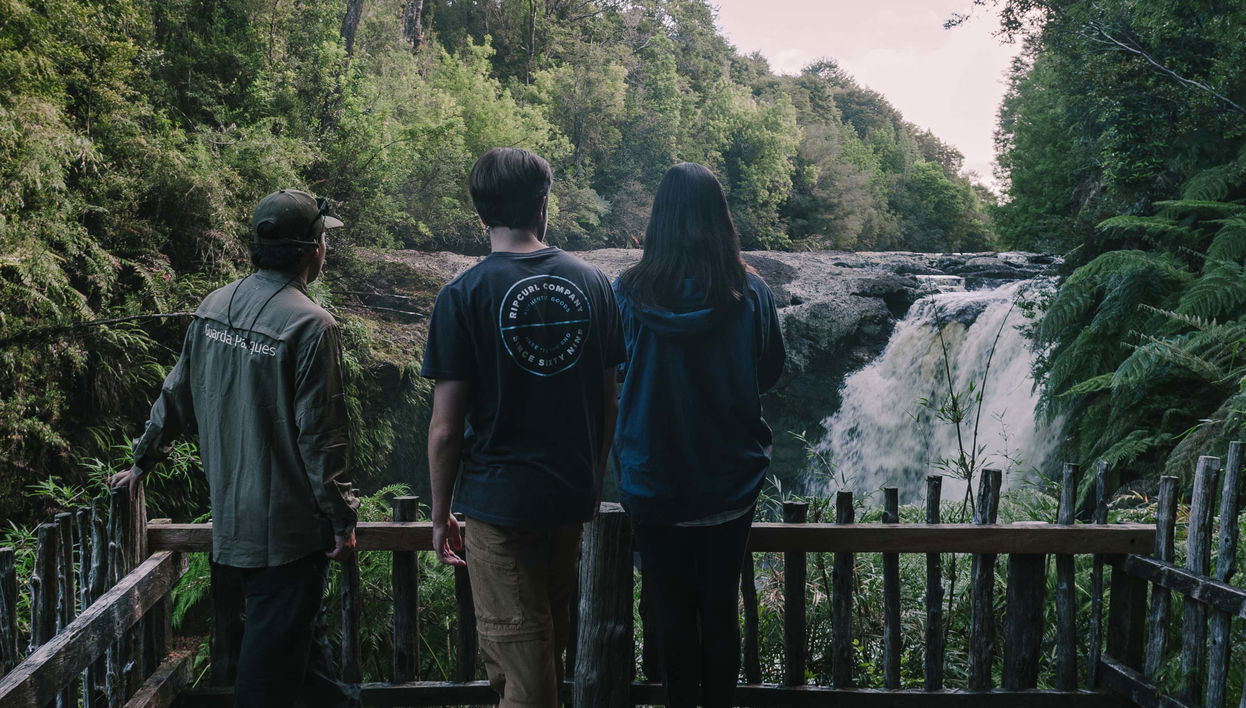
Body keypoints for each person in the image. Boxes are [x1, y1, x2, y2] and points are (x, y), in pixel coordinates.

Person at [113, 189, 361, 708]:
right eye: (324, 240)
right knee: (268, 674)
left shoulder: (213, 307)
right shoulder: (311, 325)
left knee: (303, 648)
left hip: (233, 519)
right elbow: (321, 437)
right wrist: (342, 518)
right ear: (313, 249)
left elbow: (176, 393)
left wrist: (142, 460)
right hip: (289, 533)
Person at [422, 147, 624, 708]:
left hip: (499, 507)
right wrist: (590, 480)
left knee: (528, 675)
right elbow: (607, 401)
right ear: (543, 204)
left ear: (480, 212)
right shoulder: (594, 284)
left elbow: (446, 427)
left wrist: (440, 515)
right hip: (566, 501)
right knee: (539, 658)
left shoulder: (462, 296)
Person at [613, 162, 786, 708]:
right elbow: (770, 370)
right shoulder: (750, 291)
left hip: (653, 478)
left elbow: (614, 370)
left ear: (659, 219)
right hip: (728, 480)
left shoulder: (628, 292)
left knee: (669, 611)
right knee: (719, 609)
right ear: (720, 219)